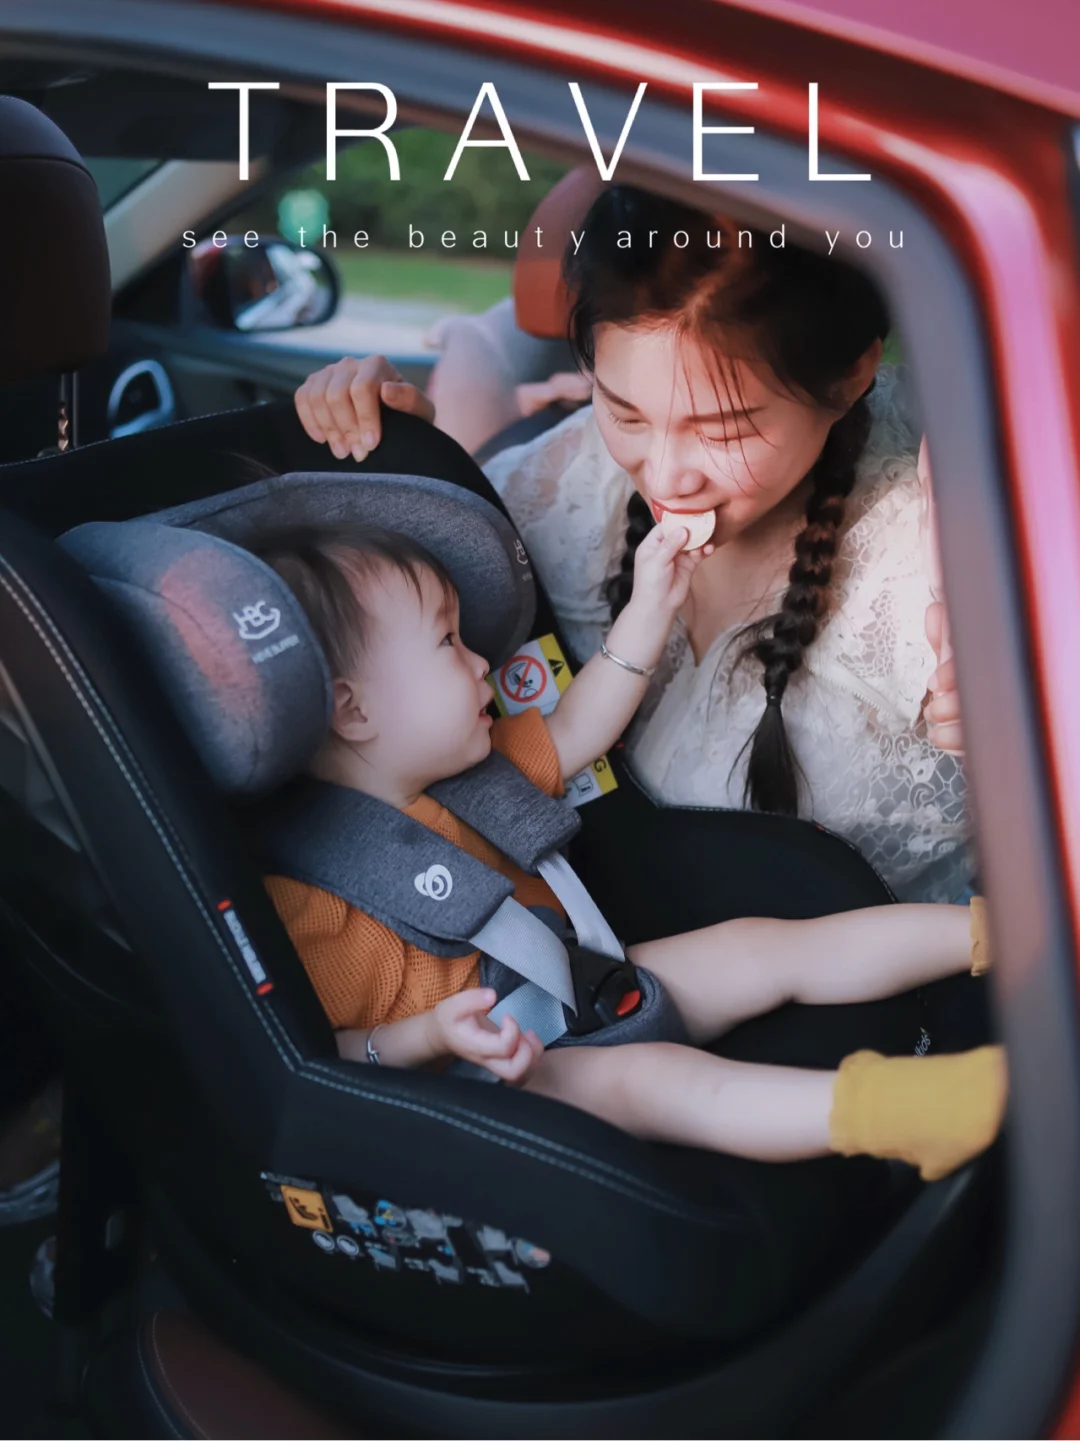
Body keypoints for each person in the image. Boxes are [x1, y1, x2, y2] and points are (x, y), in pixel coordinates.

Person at [255, 515, 1003, 1180]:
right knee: (656, 1082)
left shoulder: (473, 775)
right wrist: (425, 1036)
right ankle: (902, 1111)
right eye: (447, 641)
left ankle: (998, 932)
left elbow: (582, 725)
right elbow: (314, 1056)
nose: (481, 660)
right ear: (353, 709)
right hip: (494, 1088)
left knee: (759, 946)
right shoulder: (313, 897)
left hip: (587, 986)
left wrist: (651, 605)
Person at [292, 187, 969, 905]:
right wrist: (397, 463)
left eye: (725, 430)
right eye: (625, 413)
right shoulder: (566, 484)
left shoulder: (951, 527)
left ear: (853, 375)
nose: (666, 476)